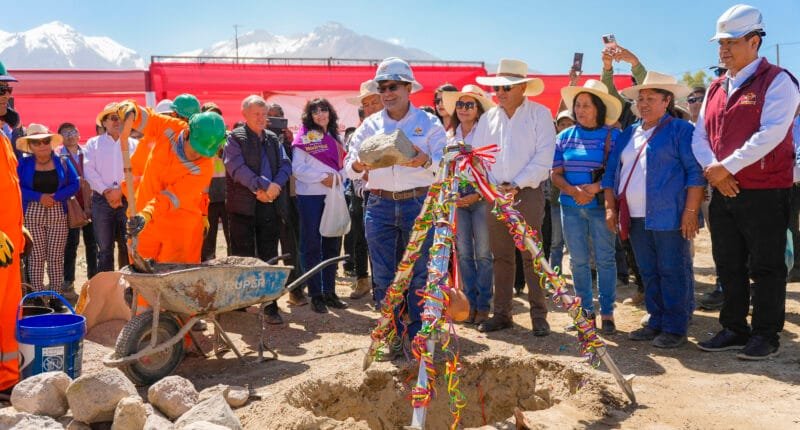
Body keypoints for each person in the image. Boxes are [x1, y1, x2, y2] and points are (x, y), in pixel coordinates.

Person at [693, 4, 800, 360]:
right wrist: (714, 169)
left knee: (766, 265)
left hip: (767, 190)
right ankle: (734, 327)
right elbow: (700, 136)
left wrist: (725, 168)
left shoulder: (779, 80)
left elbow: (771, 133)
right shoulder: (715, 87)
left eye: (731, 42)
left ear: (754, 41)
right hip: (723, 189)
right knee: (728, 261)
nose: (723, 50)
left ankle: (766, 334)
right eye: (720, 43)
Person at [345, 57, 446, 357]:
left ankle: (416, 336)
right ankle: (393, 333)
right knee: (385, 274)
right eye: (382, 88)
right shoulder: (369, 126)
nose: (386, 93)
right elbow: (349, 168)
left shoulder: (429, 123)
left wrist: (424, 160)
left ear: (408, 88)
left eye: (392, 87)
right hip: (379, 205)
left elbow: (445, 167)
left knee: (418, 273)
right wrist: (359, 163)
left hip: (419, 202)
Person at [602, 71, 703, 348]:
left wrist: (691, 212)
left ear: (666, 101)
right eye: (640, 99)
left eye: (650, 98)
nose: (643, 104)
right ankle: (656, 320)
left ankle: (675, 326)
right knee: (648, 270)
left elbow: (695, 173)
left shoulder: (681, 130)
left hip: (670, 214)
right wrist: (611, 207)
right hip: (633, 216)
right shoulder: (628, 134)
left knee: (673, 269)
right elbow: (611, 173)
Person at [471, 59, 556, 336]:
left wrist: (517, 184)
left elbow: (544, 158)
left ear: (522, 87)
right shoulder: (488, 118)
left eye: (506, 87)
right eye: (498, 87)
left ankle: (539, 315)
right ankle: (502, 314)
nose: (501, 92)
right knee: (501, 256)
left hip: (527, 192)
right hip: (495, 194)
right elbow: (478, 158)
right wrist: (492, 187)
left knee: (532, 254)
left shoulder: (539, 114)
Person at [552, 80, 622, 335]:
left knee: (605, 260)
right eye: (577, 105)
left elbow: (618, 172)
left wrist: (593, 189)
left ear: (599, 108)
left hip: (600, 207)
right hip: (570, 207)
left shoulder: (613, 136)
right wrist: (573, 191)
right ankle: (585, 313)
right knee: (578, 261)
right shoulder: (563, 137)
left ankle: (608, 312)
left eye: (586, 105)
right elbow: (555, 174)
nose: (580, 110)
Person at [120, 101, 226, 267]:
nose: (198, 155)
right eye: (196, 148)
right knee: (143, 280)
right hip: (144, 222)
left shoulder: (204, 168)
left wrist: (147, 214)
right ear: (187, 133)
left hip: (177, 226)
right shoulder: (171, 128)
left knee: (172, 280)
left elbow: (172, 196)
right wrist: (132, 110)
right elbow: (149, 119)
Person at [225, 95, 292, 324]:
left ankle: (270, 305)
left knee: (269, 255)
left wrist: (275, 186)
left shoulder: (273, 138)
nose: (262, 118)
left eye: (264, 114)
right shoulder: (235, 138)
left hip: (269, 206)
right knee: (242, 256)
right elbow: (236, 167)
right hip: (243, 206)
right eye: (257, 114)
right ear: (244, 115)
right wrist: (262, 186)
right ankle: (241, 303)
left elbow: (285, 165)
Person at [442, 84, 495, 325]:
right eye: (460, 105)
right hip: (457, 197)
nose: (463, 109)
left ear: (478, 109)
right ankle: (470, 304)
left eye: (469, 105)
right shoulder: (450, 137)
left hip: (481, 196)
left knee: (483, 254)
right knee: (463, 253)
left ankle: (483, 305)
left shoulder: (486, 135)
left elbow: (491, 168)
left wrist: (477, 193)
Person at [292, 98, 347, 313]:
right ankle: (316, 294)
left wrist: (338, 177)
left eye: (324, 110)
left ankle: (330, 292)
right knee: (313, 244)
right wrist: (322, 177)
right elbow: (298, 168)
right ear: (310, 115)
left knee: (332, 243)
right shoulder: (303, 138)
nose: (320, 115)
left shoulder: (336, 137)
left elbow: (345, 165)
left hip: (334, 194)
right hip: (311, 197)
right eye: (315, 111)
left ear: (330, 113)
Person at [17, 124, 80, 309]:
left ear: (51, 142)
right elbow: (17, 187)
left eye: (45, 141)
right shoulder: (23, 163)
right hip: (33, 212)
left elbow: (75, 183)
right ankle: (37, 297)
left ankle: (55, 296)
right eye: (37, 142)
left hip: (58, 210)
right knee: (36, 256)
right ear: (31, 145)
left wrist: (55, 197)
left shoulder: (62, 159)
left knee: (55, 256)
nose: (42, 145)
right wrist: (39, 197)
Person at [84, 103, 138, 272]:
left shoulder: (134, 144)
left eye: (121, 118)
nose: (117, 122)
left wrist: (121, 190)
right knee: (105, 249)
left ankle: (127, 286)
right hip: (101, 199)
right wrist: (107, 191)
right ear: (104, 122)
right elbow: (88, 170)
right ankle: (108, 289)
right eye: (113, 118)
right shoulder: (93, 144)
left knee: (127, 245)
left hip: (128, 199)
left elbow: (138, 170)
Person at [0, 63, 25, 398]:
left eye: (8, 89)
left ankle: (6, 379)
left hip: (8, 243)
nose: (8, 95)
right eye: (1, 89)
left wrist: (16, 229)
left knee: (8, 310)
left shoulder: (3, 136)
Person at [266, 102, 307, 306]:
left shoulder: (291, 140)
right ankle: (269, 298)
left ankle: (295, 290)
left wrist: (290, 145)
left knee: (292, 245)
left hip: (290, 200)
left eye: (278, 116)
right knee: (269, 249)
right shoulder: (260, 139)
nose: (274, 120)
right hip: (266, 201)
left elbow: (293, 167)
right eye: (270, 117)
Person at [345, 80, 382, 299]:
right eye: (365, 105)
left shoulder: (393, 128)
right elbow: (352, 166)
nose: (369, 108)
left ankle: (380, 286)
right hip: (361, 193)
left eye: (373, 102)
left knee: (380, 243)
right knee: (360, 238)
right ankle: (362, 280)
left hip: (382, 192)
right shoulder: (357, 134)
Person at [57, 122, 97, 297]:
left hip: (91, 202)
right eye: (66, 133)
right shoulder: (58, 155)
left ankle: (94, 280)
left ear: (79, 134)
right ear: (60, 138)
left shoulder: (88, 152)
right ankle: (68, 282)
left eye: (73, 131)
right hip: (70, 204)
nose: (71, 135)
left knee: (92, 243)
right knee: (71, 244)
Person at [199, 102, 231, 262]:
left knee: (231, 236)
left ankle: (234, 267)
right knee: (207, 238)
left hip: (227, 194)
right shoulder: (197, 137)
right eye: (210, 115)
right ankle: (207, 267)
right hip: (207, 195)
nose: (214, 118)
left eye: (217, 115)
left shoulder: (229, 137)